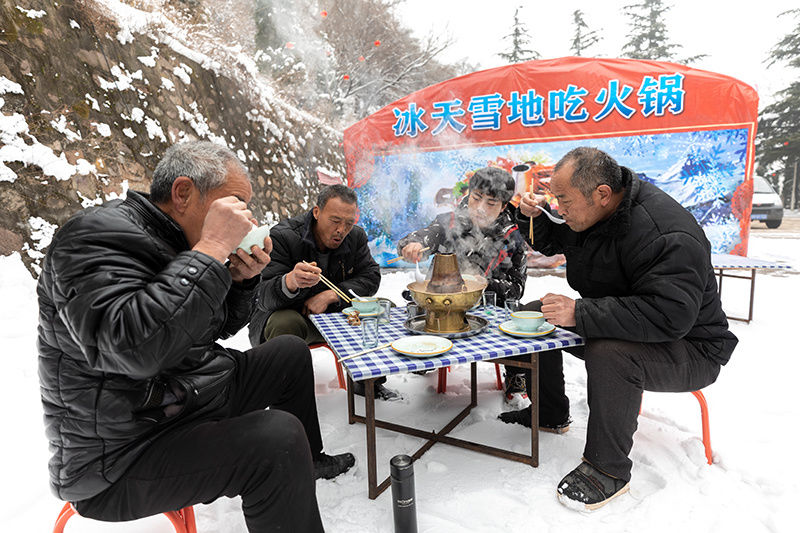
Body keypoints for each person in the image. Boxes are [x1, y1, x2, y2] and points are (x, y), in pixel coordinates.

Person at [37, 141, 354, 533]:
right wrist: (211, 250)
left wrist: (240, 281)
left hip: (183, 396)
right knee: (276, 441)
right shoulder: (92, 239)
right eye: (234, 204)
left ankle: (314, 459)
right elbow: (132, 350)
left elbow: (208, 329)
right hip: (122, 452)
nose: (243, 219)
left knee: (289, 353)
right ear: (183, 193)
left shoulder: (177, 240)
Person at [504, 146, 737, 511]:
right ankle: (550, 412)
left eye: (563, 200)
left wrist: (580, 313)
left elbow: (670, 315)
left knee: (610, 353)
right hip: (626, 322)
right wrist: (529, 216)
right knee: (536, 315)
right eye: (555, 199)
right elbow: (555, 238)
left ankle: (607, 469)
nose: (559, 207)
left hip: (690, 346)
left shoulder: (665, 232)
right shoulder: (594, 210)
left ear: (601, 194)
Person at [397, 167, 535, 409]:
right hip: (441, 305)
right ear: (468, 195)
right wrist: (412, 244)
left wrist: (480, 283)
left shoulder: (513, 236)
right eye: (476, 198)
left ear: (503, 206)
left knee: (520, 315)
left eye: (491, 203)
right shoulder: (447, 222)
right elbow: (425, 235)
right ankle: (427, 357)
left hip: (488, 309)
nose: (480, 208)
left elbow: (516, 289)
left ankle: (516, 375)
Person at [247, 185, 395, 400]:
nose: (341, 230)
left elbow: (371, 276)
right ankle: (285, 394)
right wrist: (290, 282)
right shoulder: (283, 237)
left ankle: (368, 382)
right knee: (284, 322)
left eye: (348, 223)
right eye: (335, 221)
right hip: (296, 317)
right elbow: (261, 296)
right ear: (316, 212)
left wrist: (331, 295)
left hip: (337, 314)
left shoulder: (355, 237)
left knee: (381, 308)